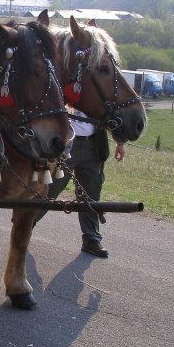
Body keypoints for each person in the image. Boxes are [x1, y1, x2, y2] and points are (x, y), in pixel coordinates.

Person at [33, 109, 126, 258]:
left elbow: (109, 110)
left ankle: (91, 238)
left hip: (92, 144)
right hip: (66, 144)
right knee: (50, 189)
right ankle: (27, 224)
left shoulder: (94, 88)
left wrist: (120, 142)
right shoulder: (65, 86)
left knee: (91, 194)